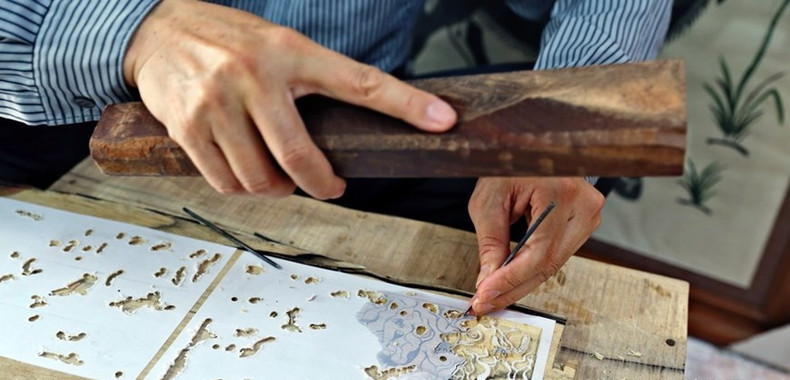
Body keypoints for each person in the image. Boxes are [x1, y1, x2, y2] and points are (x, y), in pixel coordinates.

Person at [0, 0, 672, 315]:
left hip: (346, 115)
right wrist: (136, 31)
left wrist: (562, 126)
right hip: (68, 95)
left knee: (526, 199)